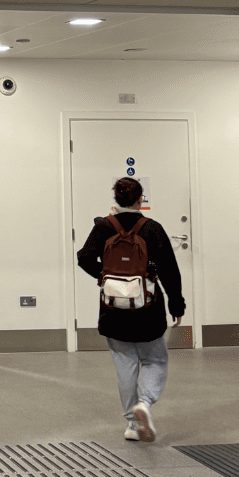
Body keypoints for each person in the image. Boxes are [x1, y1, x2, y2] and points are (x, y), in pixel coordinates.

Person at [77, 176, 185, 442]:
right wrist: (176, 304)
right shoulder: (152, 228)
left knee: (125, 365)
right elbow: (170, 270)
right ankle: (144, 404)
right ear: (140, 199)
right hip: (147, 310)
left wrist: (103, 276)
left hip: (113, 310)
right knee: (154, 359)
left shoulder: (103, 227)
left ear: (116, 198)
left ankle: (131, 425)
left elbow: (84, 257)